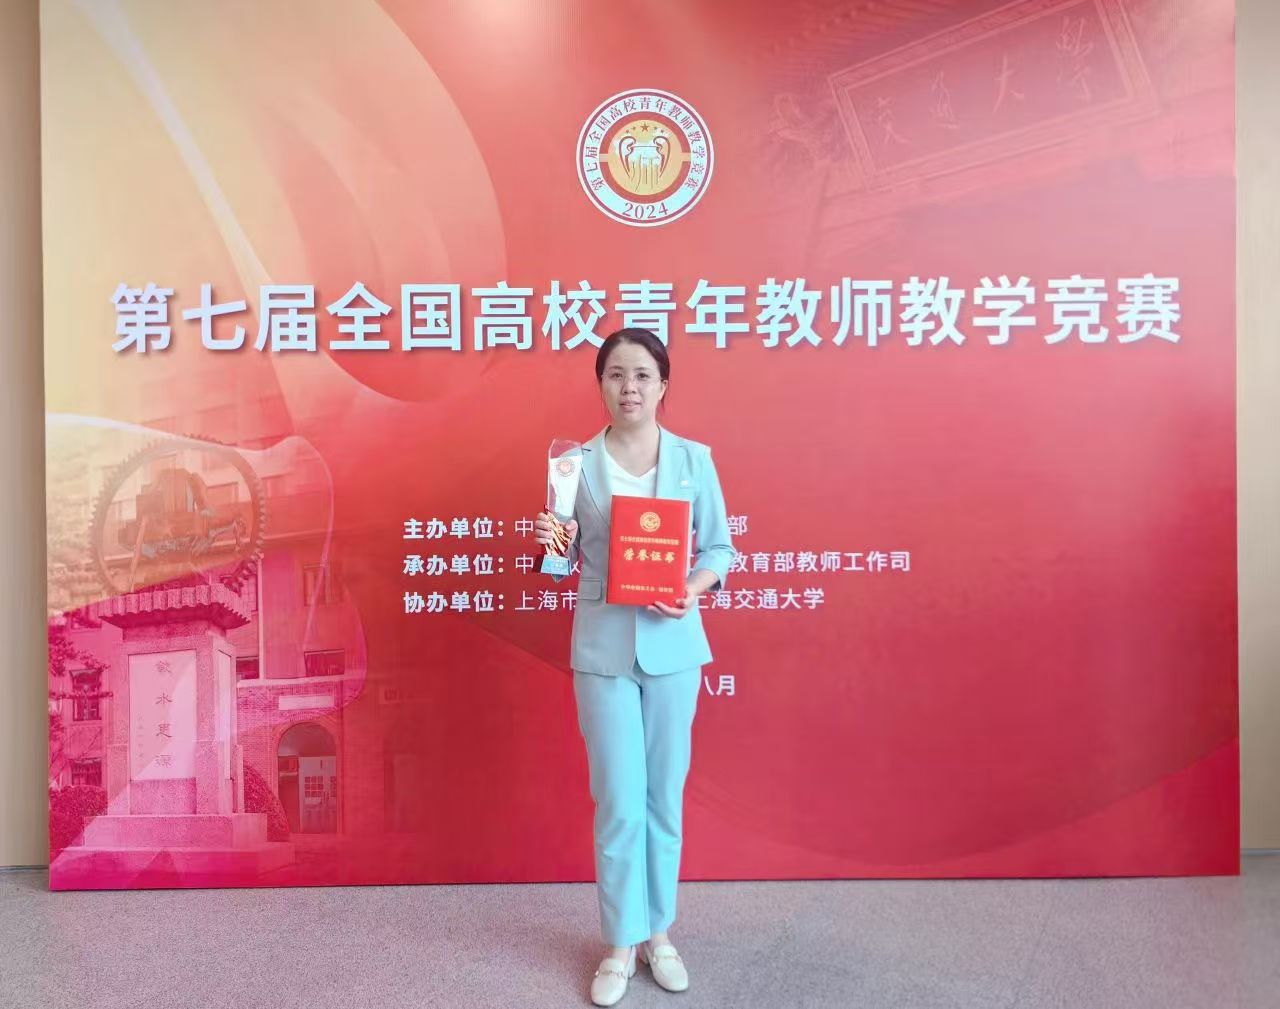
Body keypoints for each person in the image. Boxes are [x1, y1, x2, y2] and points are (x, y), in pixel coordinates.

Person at [535, 327, 736, 1006]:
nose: (630, 387)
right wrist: (552, 538)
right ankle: (620, 944)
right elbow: (558, 566)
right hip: (603, 649)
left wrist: (693, 587)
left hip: (674, 647)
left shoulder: (693, 460)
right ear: (601, 385)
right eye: (617, 374)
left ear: (663, 385)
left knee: (663, 797)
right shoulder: (571, 465)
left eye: (643, 375)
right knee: (619, 799)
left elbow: (720, 549)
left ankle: (660, 934)